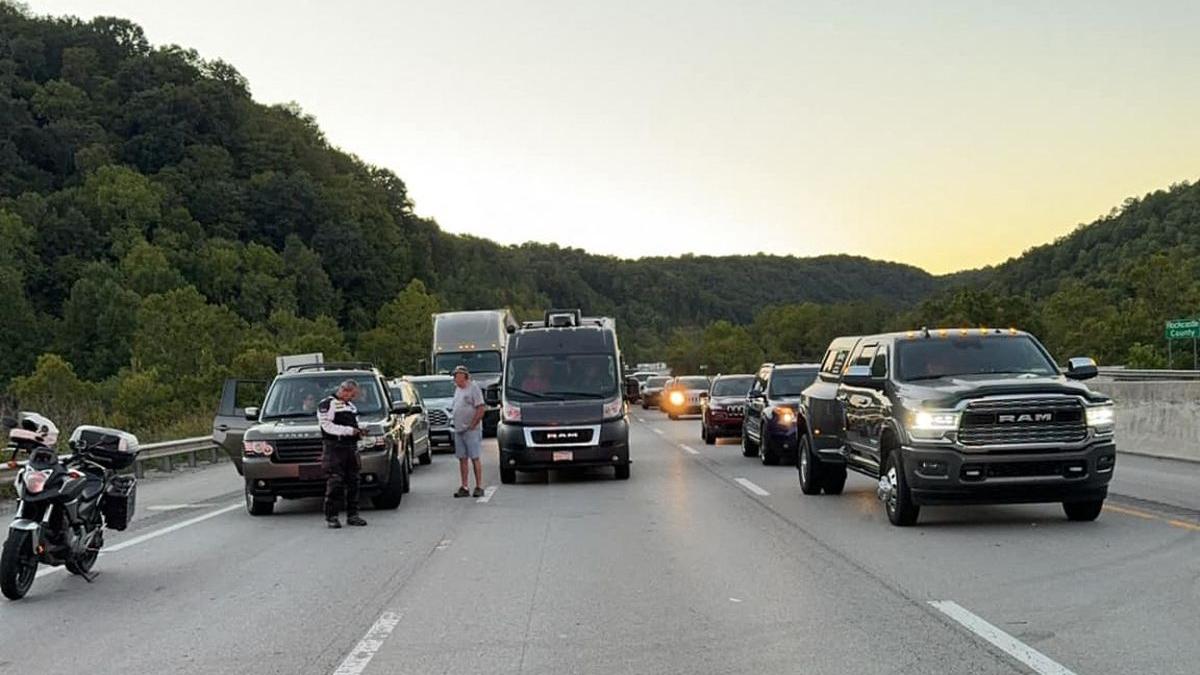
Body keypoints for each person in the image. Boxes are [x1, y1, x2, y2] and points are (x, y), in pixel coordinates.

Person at [317, 380, 367, 528]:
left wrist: (359, 431)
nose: (352, 398)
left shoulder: (350, 406)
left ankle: (353, 515)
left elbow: (354, 425)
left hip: (351, 447)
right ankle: (331, 516)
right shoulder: (327, 404)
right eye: (351, 395)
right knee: (335, 481)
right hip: (334, 447)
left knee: (354, 481)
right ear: (344, 390)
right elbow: (327, 426)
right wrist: (349, 431)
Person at [450, 365, 486, 498]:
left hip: (471, 430)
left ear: (464, 376)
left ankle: (479, 486)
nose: (455, 378)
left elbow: (481, 408)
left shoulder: (473, 388)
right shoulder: (457, 390)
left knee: (474, 457)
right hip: (459, 429)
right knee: (462, 458)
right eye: (454, 375)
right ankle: (464, 486)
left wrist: (473, 424)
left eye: (457, 375)